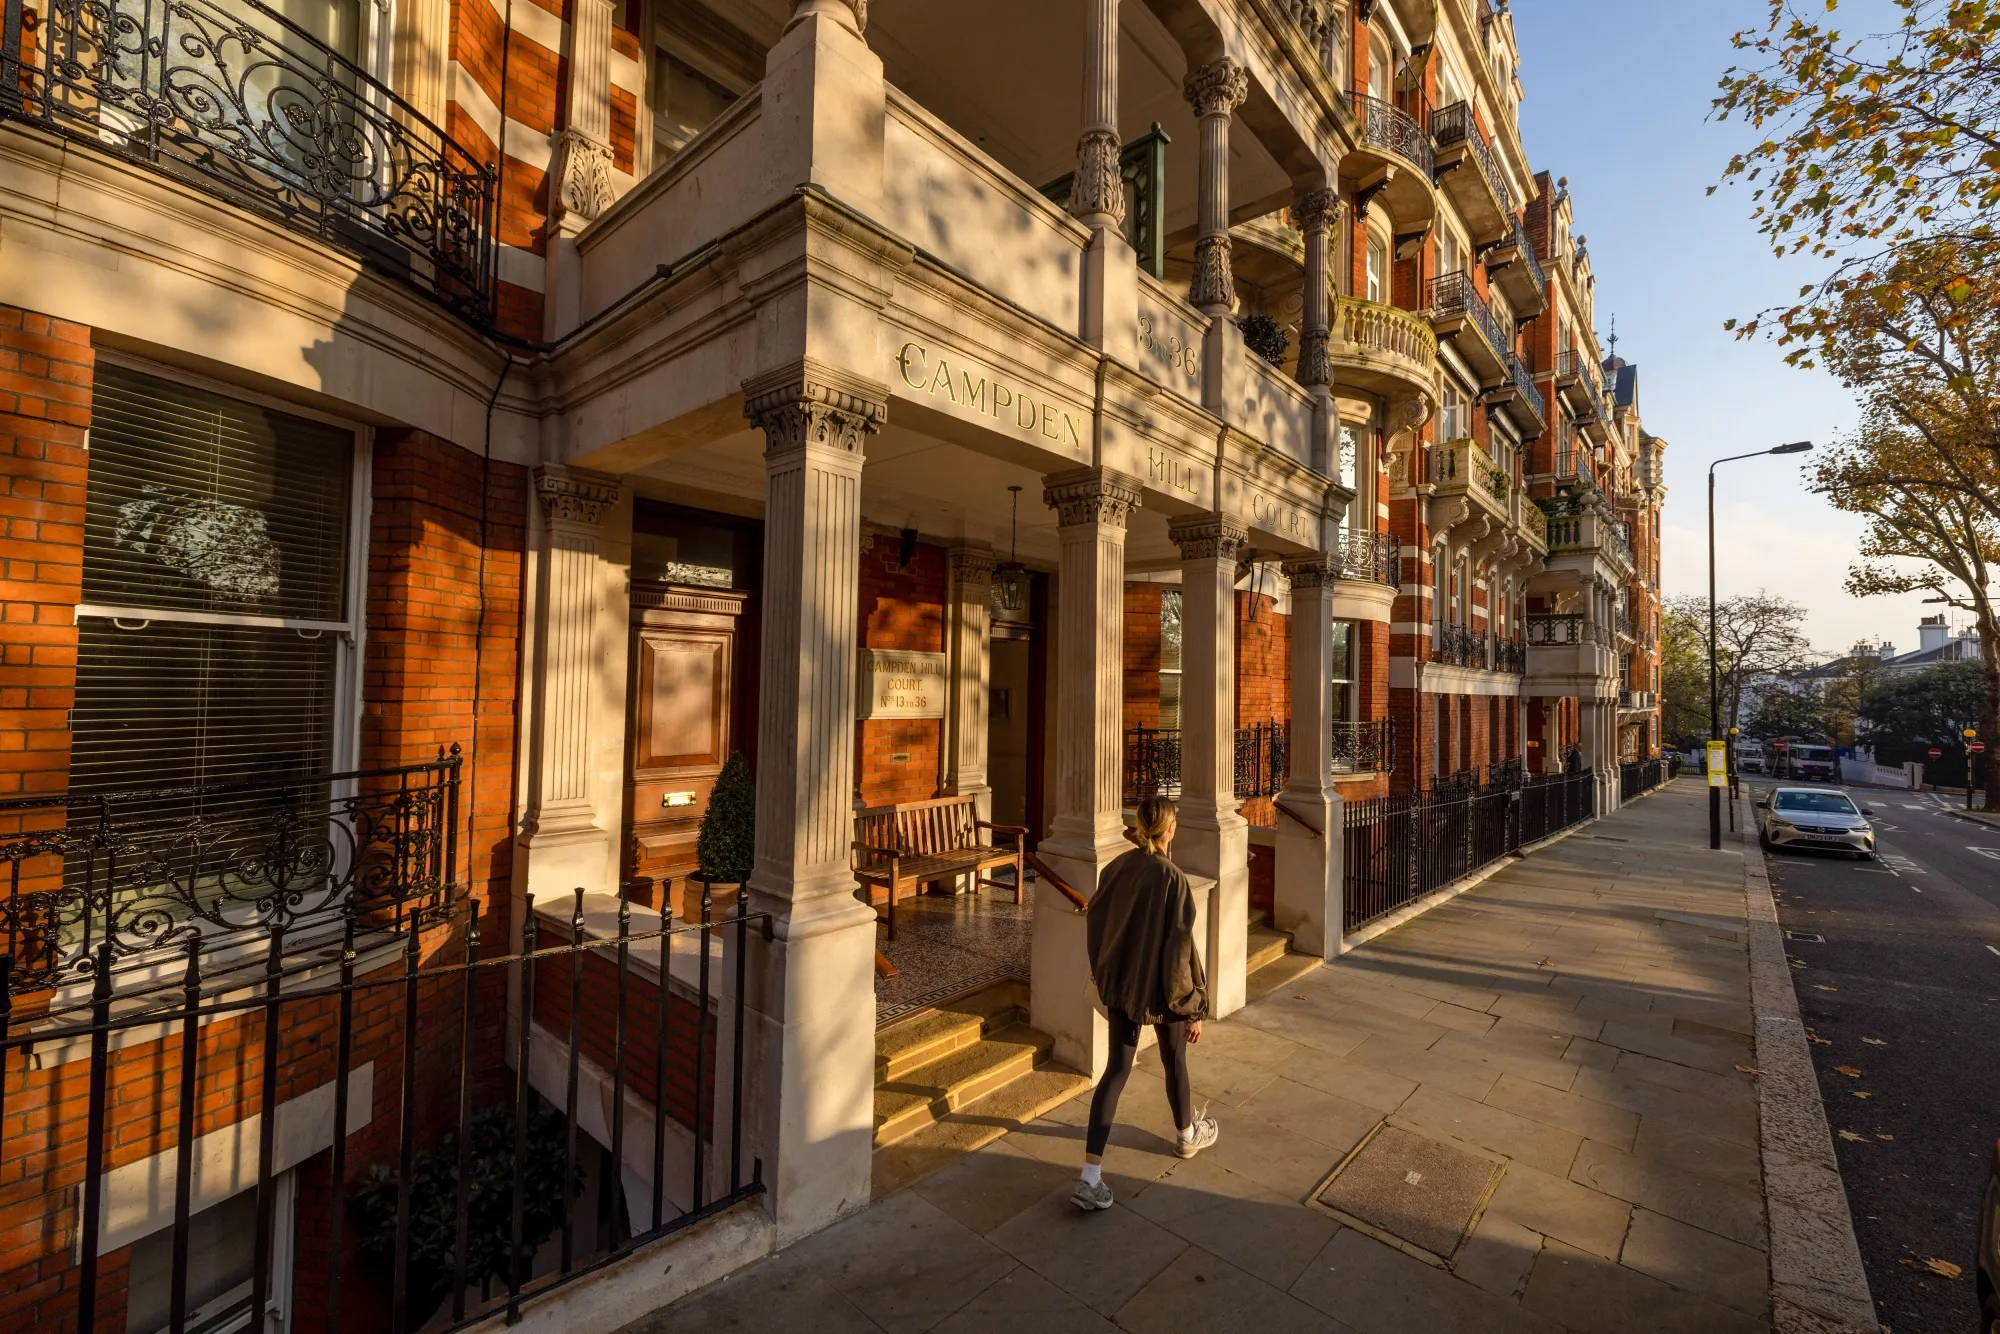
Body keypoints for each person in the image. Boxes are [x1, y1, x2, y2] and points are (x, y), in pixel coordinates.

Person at [1073, 795, 1217, 1212]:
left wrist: (1107, 976)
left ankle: (1090, 1177)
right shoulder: (1173, 879)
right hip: (1163, 991)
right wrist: (1193, 1005)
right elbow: (1180, 950)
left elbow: (1096, 924)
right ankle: (1187, 1136)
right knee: (1175, 1062)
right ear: (1169, 829)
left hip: (1122, 987)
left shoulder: (1116, 868)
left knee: (1116, 1072)